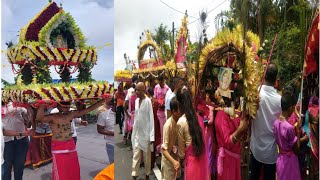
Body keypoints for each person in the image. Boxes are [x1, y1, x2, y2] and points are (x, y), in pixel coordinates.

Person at [36, 99, 107, 180]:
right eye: (65, 107)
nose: (67, 109)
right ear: (58, 106)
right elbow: (39, 118)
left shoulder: (71, 114)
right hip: (58, 147)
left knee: (73, 168)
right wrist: (42, 105)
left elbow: (88, 109)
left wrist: (102, 101)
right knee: (61, 170)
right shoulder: (52, 117)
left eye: (68, 107)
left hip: (70, 145)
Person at [250, 63, 281, 180]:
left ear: (264, 75)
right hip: (269, 151)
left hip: (257, 147)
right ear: (276, 78)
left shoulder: (255, 94)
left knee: (254, 176)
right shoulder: (279, 100)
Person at [273, 87, 309, 180]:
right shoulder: (289, 128)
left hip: (280, 159)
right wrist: (297, 131)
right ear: (291, 108)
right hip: (290, 161)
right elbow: (296, 149)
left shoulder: (276, 122)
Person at [176, 87, 210, 180]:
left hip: (191, 166)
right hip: (202, 163)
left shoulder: (181, 122)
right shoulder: (199, 118)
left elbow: (182, 153)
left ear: (179, 104)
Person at [2, 101, 34, 180]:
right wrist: (21, 133)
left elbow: (28, 123)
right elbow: (2, 131)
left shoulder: (19, 105)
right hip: (5, 142)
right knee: (6, 169)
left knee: (19, 168)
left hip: (21, 142)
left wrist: (30, 109)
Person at [131, 82, 154, 180]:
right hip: (137, 134)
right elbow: (136, 117)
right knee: (136, 156)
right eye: (135, 89)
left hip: (146, 135)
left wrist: (152, 136)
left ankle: (147, 174)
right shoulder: (136, 101)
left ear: (143, 91)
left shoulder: (148, 101)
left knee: (147, 158)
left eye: (138, 90)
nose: (136, 91)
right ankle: (134, 175)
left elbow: (151, 119)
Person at [161, 97, 181, 180]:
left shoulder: (181, 122)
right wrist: (174, 162)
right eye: (180, 110)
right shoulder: (168, 125)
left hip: (177, 159)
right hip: (169, 162)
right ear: (174, 111)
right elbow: (164, 150)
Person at [97, 99, 115, 164]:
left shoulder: (125, 113)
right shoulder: (103, 115)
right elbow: (99, 129)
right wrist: (113, 133)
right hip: (112, 144)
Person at [154, 75, 169, 148]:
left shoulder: (167, 88)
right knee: (160, 130)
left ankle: (164, 145)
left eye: (161, 82)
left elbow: (168, 99)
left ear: (164, 80)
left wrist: (164, 103)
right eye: (159, 82)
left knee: (164, 129)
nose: (160, 84)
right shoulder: (156, 87)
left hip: (165, 111)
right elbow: (155, 98)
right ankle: (161, 146)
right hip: (158, 112)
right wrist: (158, 103)